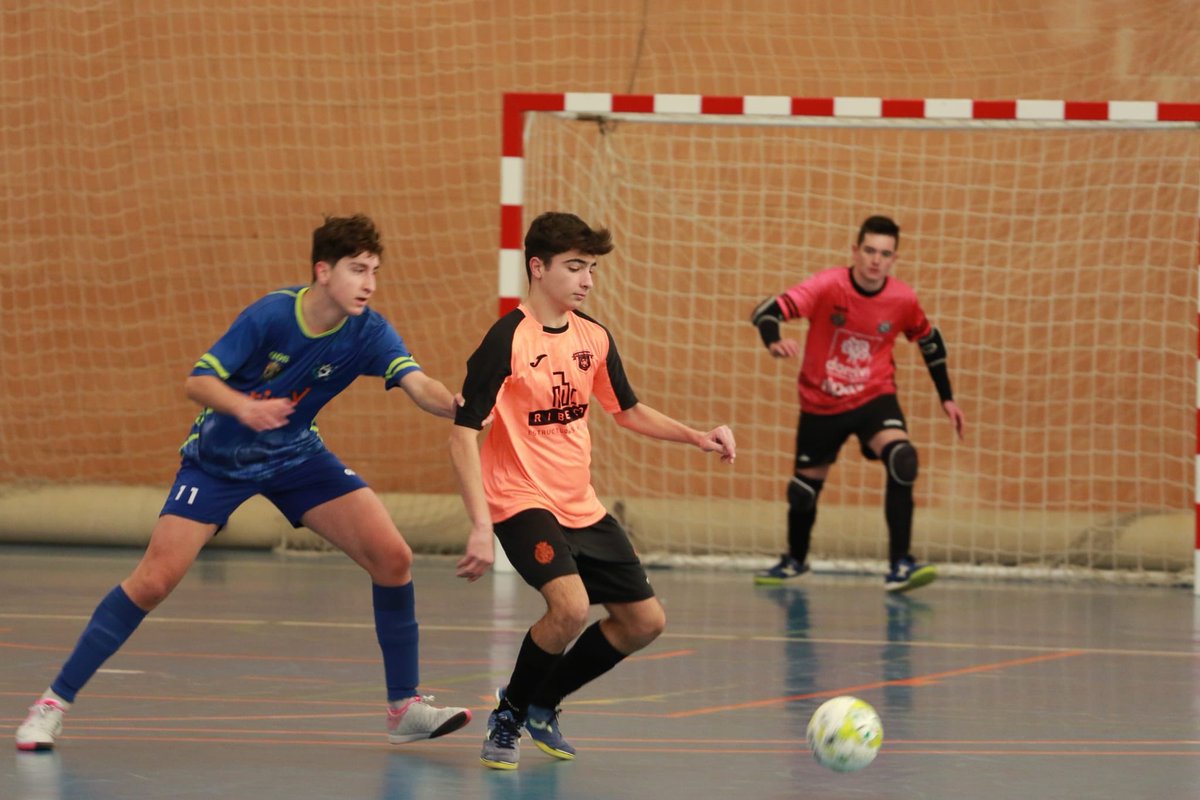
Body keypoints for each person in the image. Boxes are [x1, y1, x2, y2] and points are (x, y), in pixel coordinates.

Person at [15, 214, 478, 752]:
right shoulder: (271, 316)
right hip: (219, 461)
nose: (369, 282)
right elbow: (198, 380)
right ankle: (50, 705)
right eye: (357, 270)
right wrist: (243, 407)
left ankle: (404, 708)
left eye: (374, 270)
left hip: (296, 456)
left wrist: (451, 404)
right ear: (322, 271)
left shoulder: (369, 329)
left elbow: (417, 382)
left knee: (392, 557)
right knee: (153, 581)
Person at [450, 211, 736, 770]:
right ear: (538, 267)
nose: (587, 280)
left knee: (644, 622)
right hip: (520, 499)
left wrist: (697, 436)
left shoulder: (594, 337)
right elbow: (462, 436)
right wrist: (481, 524)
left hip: (580, 502)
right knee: (571, 607)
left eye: (592, 269)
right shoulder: (505, 339)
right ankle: (507, 713)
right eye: (575, 267)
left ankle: (544, 702)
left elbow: (625, 410)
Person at [750, 215, 964, 592]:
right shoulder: (827, 285)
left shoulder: (902, 299)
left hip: (874, 398)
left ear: (894, 258)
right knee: (803, 493)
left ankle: (901, 565)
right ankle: (795, 560)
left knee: (903, 459)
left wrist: (947, 398)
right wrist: (774, 340)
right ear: (855, 251)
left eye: (884, 253)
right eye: (869, 250)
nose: (875, 260)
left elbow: (929, 341)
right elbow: (765, 311)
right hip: (821, 402)